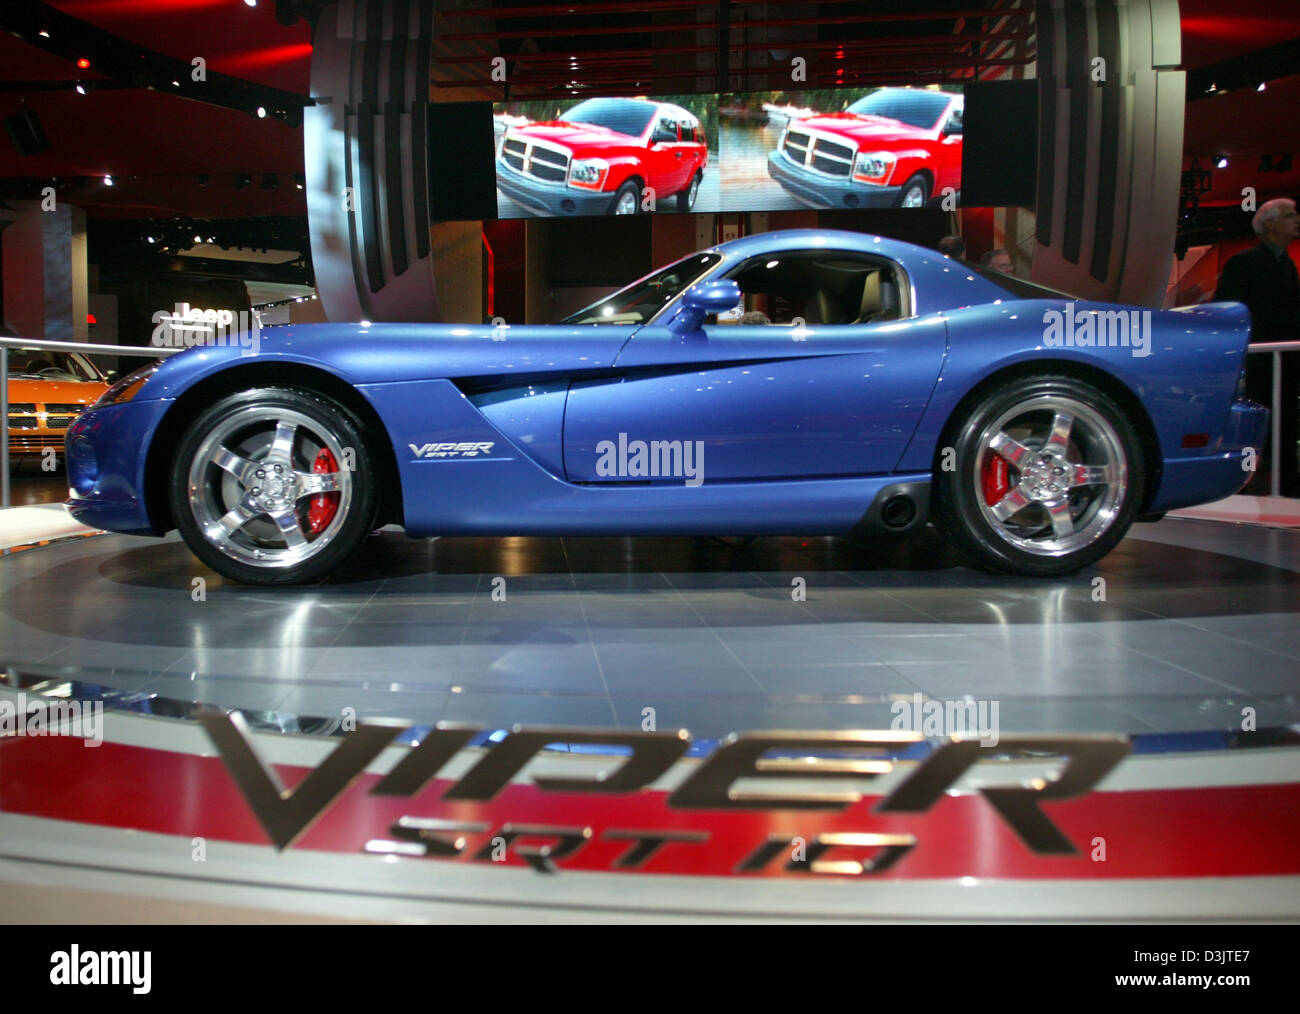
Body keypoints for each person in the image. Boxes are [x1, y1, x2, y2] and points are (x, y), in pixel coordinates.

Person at [1214, 197, 1300, 495]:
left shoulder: (1287, 265)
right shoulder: (1245, 262)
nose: (1296, 220)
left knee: (1285, 421)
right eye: (1289, 215)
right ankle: (1241, 486)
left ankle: (1286, 484)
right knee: (1254, 425)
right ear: (1270, 223)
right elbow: (1228, 310)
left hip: (1283, 364)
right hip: (1257, 362)